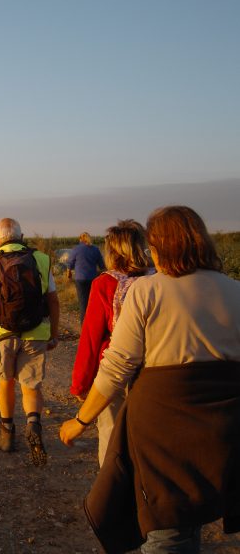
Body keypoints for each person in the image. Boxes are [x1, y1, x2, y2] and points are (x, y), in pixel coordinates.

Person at [60, 206, 240, 553]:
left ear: (162, 247)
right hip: (222, 429)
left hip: (162, 429)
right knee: (195, 510)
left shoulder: (147, 292)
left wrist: (80, 420)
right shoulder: (235, 291)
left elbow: (116, 366)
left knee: (166, 527)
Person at [0, 218, 60, 466]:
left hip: (3, 334)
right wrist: (53, 333)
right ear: (21, 238)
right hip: (35, 332)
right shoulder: (41, 260)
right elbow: (53, 300)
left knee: (6, 383)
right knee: (31, 386)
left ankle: (6, 435)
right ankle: (33, 424)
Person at [69, 219, 152, 466]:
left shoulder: (106, 283)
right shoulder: (159, 280)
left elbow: (91, 340)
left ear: (112, 251)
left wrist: (80, 384)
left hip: (115, 374)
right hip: (154, 372)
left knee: (111, 434)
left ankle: (111, 492)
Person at [67, 232, 105, 326]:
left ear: (80, 239)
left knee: (83, 303)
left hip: (80, 279)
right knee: (92, 302)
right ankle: (94, 325)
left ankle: (84, 327)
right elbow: (102, 265)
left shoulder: (76, 249)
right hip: (93, 279)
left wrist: (69, 274)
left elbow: (70, 264)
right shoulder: (95, 249)